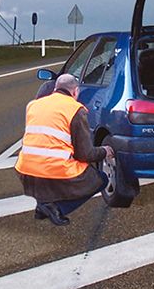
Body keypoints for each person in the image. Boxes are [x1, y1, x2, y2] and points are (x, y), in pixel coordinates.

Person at [15, 73, 113, 225]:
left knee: (53, 168)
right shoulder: (75, 109)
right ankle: (56, 207)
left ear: (55, 88)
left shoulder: (33, 105)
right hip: (53, 172)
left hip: (25, 171)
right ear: (75, 92)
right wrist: (105, 151)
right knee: (100, 179)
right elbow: (85, 154)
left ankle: (43, 207)